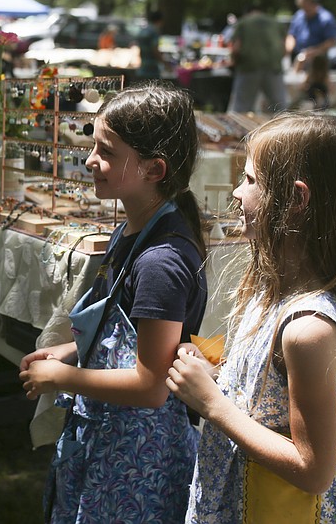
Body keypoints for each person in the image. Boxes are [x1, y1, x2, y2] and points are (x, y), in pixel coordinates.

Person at [167, 112, 336, 523]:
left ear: (296, 200)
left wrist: (212, 404)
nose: (235, 192)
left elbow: (315, 470)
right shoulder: (271, 294)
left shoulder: (308, 330)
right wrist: (218, 377)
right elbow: (267, 400)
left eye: (249, 181)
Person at [19, 84, 208, 523]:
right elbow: (123, 330)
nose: (89, 161)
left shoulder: (161, 262)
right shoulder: (134, 229)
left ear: (153, 169)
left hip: (138, 459)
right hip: (110, 439)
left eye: (106, 151)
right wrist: (70, 349)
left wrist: (63, 375)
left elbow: (151, 385)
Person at [227, 6, 287, 113]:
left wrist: (234, 62)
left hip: (248, 67)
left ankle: (239, 130)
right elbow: (284, 46)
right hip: (273, 68)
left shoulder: (243, 23)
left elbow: (236, 48)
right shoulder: (275, 22)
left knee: (241, 108)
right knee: (280, 108)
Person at [285, 0, 336, 95]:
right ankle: (296, 94)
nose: (305, 11)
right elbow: (291, 34)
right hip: (300, 55)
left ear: (315, 5)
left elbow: (331, 41)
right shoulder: (299, 15)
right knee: (298, 70)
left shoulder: (326, 18)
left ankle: (322, 96)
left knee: (318, 82)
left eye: (307, 8)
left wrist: (313, 51)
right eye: (303, 8)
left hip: (319, 58)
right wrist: (288, 48)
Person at [135, 11, 165, 81]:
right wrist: (165, 63)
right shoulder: (154, 31)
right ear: (160, 20)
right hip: (152, 69)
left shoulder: (143, 30)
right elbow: (155, 49)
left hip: (142, 67)